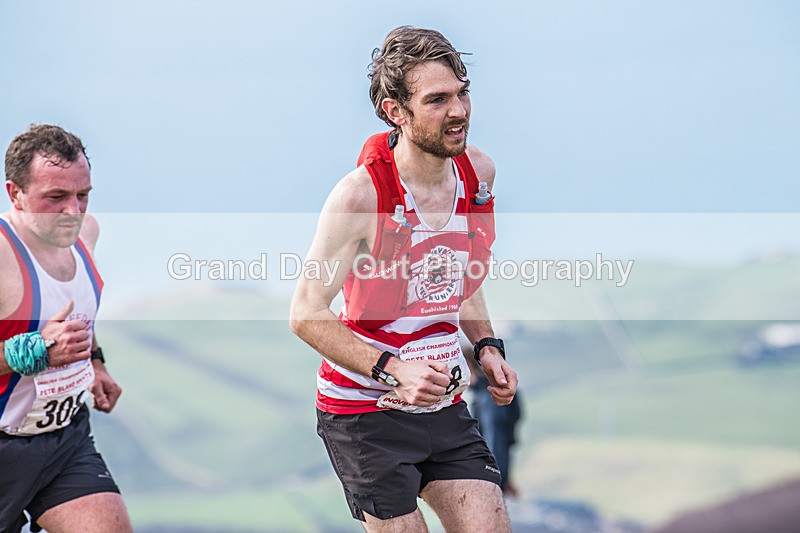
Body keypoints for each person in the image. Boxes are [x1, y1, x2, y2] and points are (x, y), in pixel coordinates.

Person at [290, 26, 518, 532]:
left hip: (443, 403)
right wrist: (396, 370)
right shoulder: (360, 197)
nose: (458, 111)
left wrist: (487, 347)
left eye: (462, 93)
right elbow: (305, 312)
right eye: (437, 100)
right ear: (396, 111)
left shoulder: (478, 175)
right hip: (363, 414)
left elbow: (461, 274)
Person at [0, 124, 132, 533]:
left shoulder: (85, 233)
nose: (73, 211)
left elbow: (75, 311)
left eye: (82, 195)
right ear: (15, 193)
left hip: (63, 441)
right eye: (55, 197)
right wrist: (33, 352)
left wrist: (95, 362)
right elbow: (43, 341)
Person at [466, 346, 523, 497]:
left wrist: (494, 479)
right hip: (498, 474)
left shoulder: (489, 397)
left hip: (493, 479)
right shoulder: (491, 392)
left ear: (467, 365)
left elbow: (494, 441)